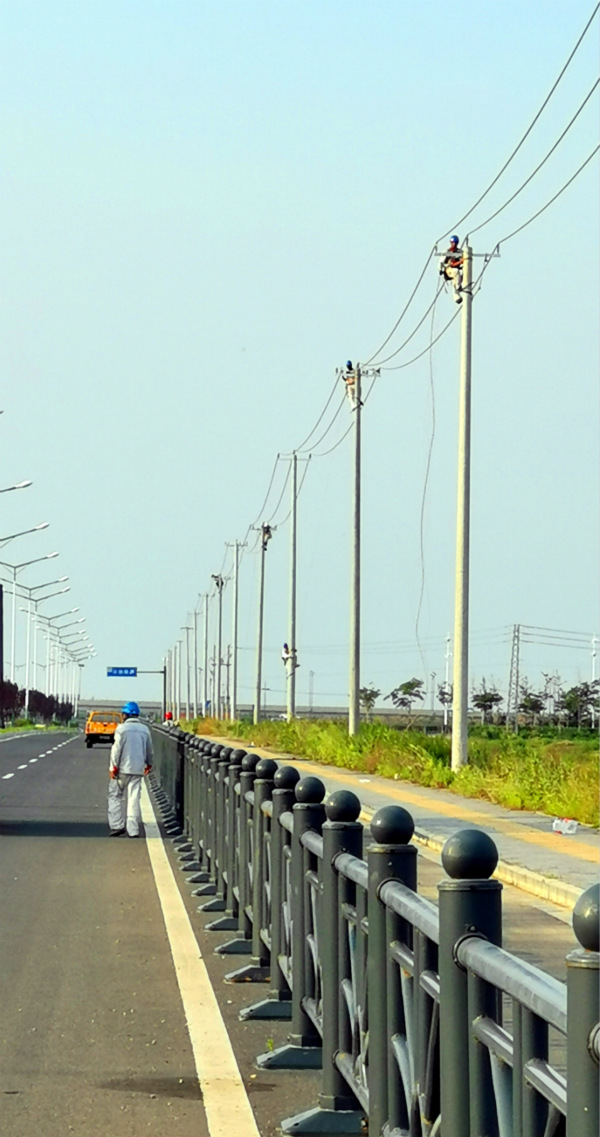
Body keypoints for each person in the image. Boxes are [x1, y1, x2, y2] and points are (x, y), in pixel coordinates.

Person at [107, 700, 153, 838]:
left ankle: (117, 825)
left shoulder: (121, 729)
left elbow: (116, 750)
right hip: (137, 768)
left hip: (122, 769)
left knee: (115, 795)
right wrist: (149, 764)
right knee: (134, 798)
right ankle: (133, 830)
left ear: (125, 715)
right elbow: (149, 750)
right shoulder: (145, 730)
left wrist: (113, 767)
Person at [439, 235, 463, 303]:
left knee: (457, 277)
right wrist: (440, 269)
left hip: (456, 270)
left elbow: (463, 260)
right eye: (452, 243)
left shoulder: (459, 252)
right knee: (456, 272)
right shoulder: (447, 251)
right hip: (448, 269)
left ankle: (457, 297)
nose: (454, 244)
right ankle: (458, 288)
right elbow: (441, 261)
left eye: (455, 243)